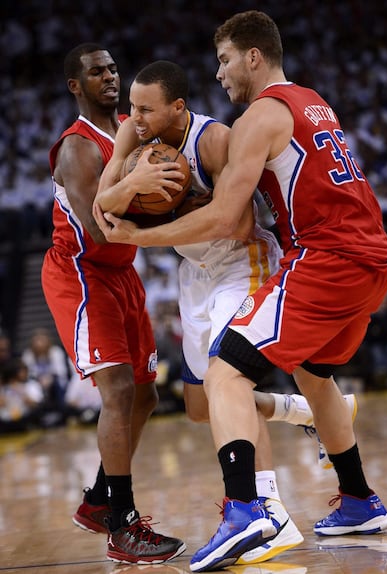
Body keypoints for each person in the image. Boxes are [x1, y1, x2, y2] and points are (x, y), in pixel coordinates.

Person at [94, 11, 387, 572]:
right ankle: (358, 499)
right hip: (372, 258)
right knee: (314, 374)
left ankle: (247, 511)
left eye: (226, 61)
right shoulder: (312, 101)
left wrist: (141, 233)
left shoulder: (257, 117)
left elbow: (228, 218)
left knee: (225, 371)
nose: (220, 75)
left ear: (253, 56)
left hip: (326, 257)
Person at [41, 43, 185, 565]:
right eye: (95, 72)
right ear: (75, 85)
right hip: (83, 273)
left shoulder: (131, 129)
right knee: (119, 390)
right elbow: (99, 235)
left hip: (124, 273)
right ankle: (122, 526)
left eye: (113, 69)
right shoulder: (78, 148)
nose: (109, 76)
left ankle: (100, 499)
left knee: (146, 397)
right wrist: (141, 189)